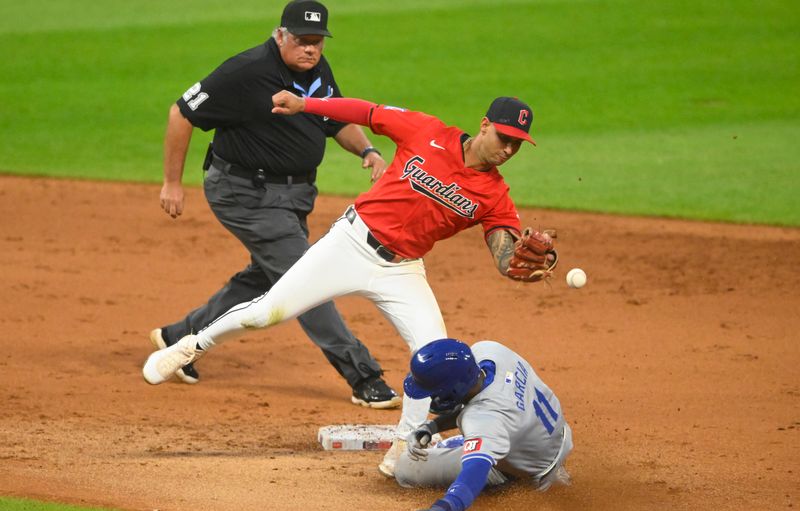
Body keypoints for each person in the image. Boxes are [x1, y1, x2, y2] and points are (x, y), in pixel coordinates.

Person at [142, 89, 559, 476]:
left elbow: (505, 255)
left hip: (402, 269)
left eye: (517, 144)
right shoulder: (428, 131)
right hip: (350, 242)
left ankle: (405, 445)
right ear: (485, 125)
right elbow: (366, 112)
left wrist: (526, 263)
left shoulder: (495, 195)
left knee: (431, 356)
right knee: (267, 312)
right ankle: (189, 347)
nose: (508, 149)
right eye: (504, 137)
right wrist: (306, 106)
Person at [151, 0, 401, 408]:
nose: (311, 50)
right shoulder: (244, 71)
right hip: (244, 193)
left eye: (317, 42)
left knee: (269, 275)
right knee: (305, 278)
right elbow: (181, 113)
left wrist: (368, 151)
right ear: (280, 35)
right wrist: (171, 183)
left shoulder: (317, 69)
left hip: (293, 196)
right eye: (302, 41)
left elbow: (334, 118)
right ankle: (363, 376)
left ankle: (182, 335)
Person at [395, 338, 573, 511]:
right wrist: (431, 427)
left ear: (455, 388)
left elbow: (476, 469)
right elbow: (484, 403)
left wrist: (445, 508)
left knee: (405, 467)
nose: (433, 397)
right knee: (486, 434)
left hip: (532, 472)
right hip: (552, 435)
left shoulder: (483, 420)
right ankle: (478, 445)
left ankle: (497, 466)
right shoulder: (489, 350)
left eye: (434, 391)